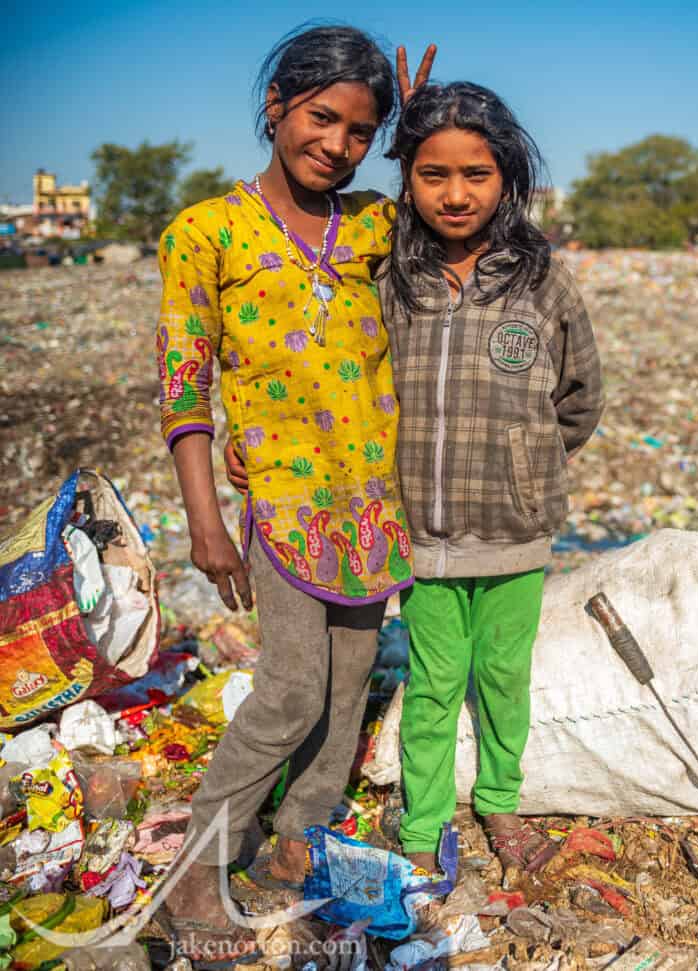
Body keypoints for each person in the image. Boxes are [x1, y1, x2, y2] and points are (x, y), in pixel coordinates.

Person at [155, 24, 434, 964]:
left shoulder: (374, 226)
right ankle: (198, 867)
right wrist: (205, 518)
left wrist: (419, 127)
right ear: (277, 103)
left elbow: (463, 209)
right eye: (323, 117)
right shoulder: (205, 232)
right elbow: (185, 384)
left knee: (351, 687)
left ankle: (295, 846)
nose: (337, 144)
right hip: (281, 503)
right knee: (289, 689)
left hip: (375, 507)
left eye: (361, 132)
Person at [380, 82, 604, 875]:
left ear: (507, 176)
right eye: (433, 173)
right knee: (434, 680)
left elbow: (579, 400)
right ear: (407, 178)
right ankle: (422, 824)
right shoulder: (393, 280)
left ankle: (501, 801)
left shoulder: (541, 282)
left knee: (505, 676)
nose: (455, 193)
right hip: (426, 534)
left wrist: (525, 465)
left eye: (475, 173)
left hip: (515, 533)